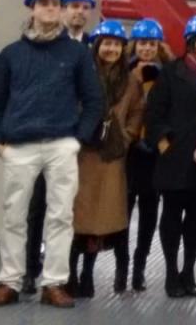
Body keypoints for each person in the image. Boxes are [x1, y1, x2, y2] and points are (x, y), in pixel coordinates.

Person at [0, 0, 102, 310]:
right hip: (18, 147)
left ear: (60, 11)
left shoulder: (77, 53)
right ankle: (10, 282)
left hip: (62, 145)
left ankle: (54, 283)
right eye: (43, 3)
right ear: (32, 8)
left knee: (61, 217)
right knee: (14, 216)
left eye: (55, 3)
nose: (50, 8)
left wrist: (77, 139)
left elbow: (94, 101)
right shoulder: (11, 54)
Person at [22, 0, 99, 294]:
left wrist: (83, 135)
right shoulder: (44, 44)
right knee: (37, 207)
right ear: (63, 9)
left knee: (69, 209)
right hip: (45, 136)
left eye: (84, 7)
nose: (78, 12)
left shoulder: (97, 47)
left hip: (79, 141)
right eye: (73, 6)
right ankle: (29, 270)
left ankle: (64, 274)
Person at [145, 14, 196, 299]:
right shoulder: (171, 72)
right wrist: (164, 143)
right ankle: (170, 273)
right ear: (189, 43)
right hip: (175, 157)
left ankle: (188, 271)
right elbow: (154, 111)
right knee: (171, 215)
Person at [69, 21, 140, 298]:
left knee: (100, 221)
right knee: (76, 217)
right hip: (82, 154)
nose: (111, 48)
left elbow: (137, 111)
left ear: (123, 48)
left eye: (116, 44)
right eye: (106, 43)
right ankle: (69, 273)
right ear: (96, 46)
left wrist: (126, 136)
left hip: (112, 158)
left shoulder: (130, 80)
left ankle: (88, 274)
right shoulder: (82, 74)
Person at [122, 18, 171, 291]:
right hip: (128, 153)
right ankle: (123, 265)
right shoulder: (123, 72)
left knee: (150, 214)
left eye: (152, 44)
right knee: (124, 211)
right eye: (143, 43)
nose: (147, 49)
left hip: (153, 155)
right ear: (135, 44)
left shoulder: (167, 76)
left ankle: (139, 267)